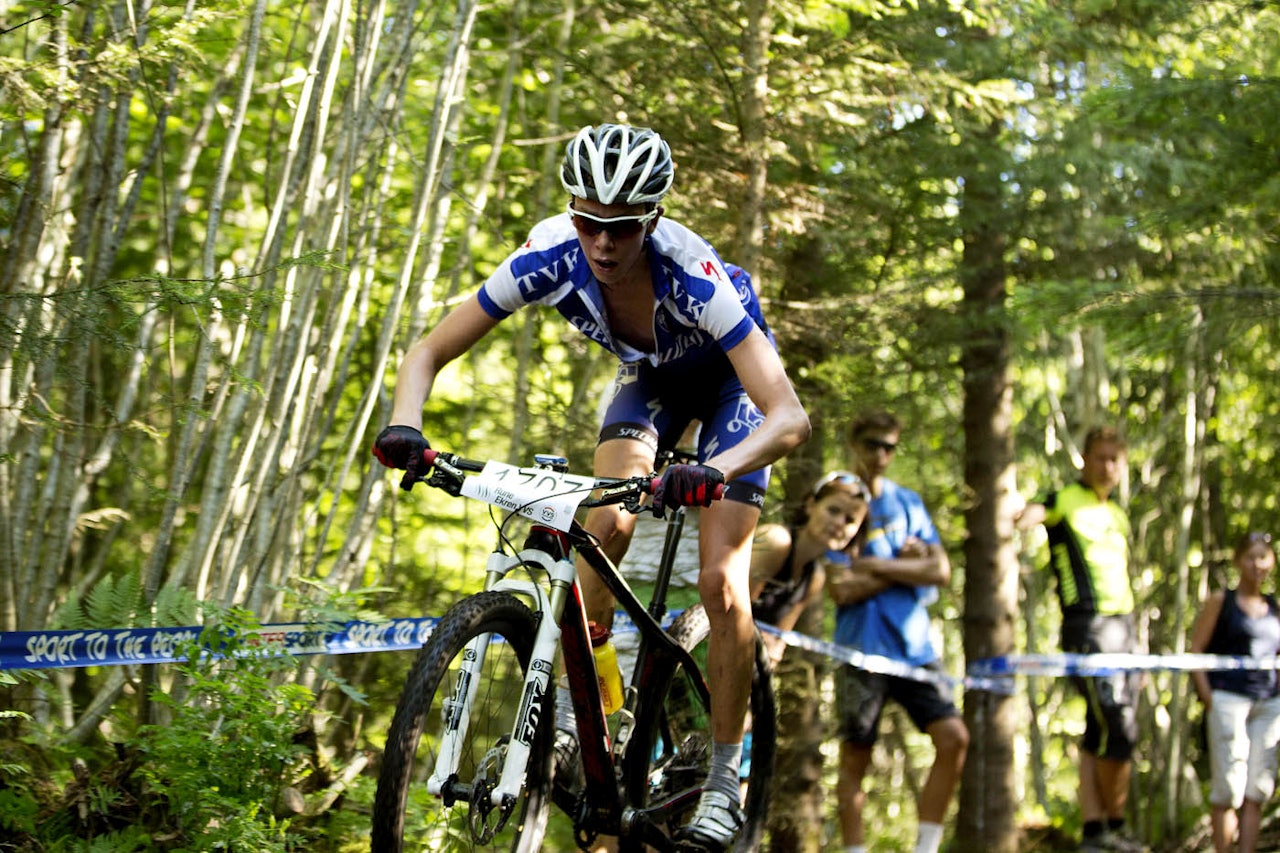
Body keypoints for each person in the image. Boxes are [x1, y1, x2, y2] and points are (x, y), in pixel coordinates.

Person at [371, 122, 811, 849]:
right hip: (650, 379)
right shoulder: (549, 252)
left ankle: (727, 779)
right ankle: (587, 720)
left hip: (737, 392)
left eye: (622, 228)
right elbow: (429, 350)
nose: (602, 243)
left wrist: (716, 468)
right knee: (600, 523)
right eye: (588, 223)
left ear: (654, 220)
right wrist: (407, 428)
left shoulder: (694, 274)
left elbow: (788, 413)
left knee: (720, 580)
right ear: (571, 212)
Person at [825, 411, 969, 853]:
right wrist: (909, 570)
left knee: (954, 739)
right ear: (854, 443)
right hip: (860, 650)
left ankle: (926, 847)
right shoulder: (837, 502)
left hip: (915, 649)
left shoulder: (909, 503)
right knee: (856, 758)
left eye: (890, 447)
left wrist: (876, 565)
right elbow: (841, 589)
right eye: (872, 444)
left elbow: (941, 570)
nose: (881, 455)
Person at [1015, 425, 1145, 853]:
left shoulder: (1118, 515)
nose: (1107, 466)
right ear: (1085, 460)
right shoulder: (1063, 501)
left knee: (1098, 728)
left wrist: (1136, 642)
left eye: (1115, 459)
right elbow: (1030, 515)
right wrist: (1016, 512)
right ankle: (1115, 825)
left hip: (1124, 628)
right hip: (1087, 627)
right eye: (1100, 457)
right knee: (1117, 725)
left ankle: (1094, 830)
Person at [1189, 531, 1280, 853]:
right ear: (1239, 560)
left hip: (1268, 704)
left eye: (1264, 556)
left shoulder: (1274, 609)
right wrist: (1209, 698)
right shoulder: (1221, 601)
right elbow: (1196, 650)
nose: (1258, 564)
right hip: (1228, 700)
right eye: (1251, 556)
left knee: (1258, 788)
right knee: (1228, 788)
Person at [749, 469, 871, 664]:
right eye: (833, 510)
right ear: (810, 505)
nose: (839, 523)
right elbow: (731, 611)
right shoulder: (776, 540)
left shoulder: (815, 576)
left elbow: (778, 641)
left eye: (850, 520)